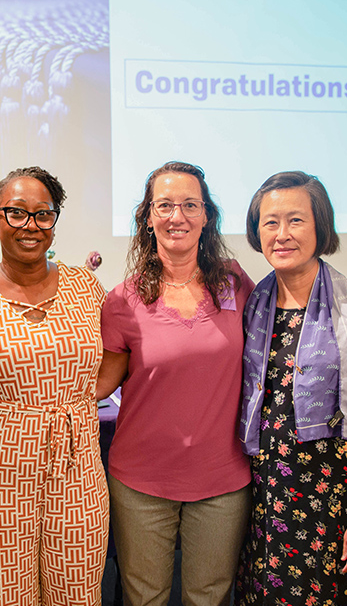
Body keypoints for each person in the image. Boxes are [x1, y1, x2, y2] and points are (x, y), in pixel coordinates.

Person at [234, 171, 347, 605]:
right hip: (265, 508)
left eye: (296, 220)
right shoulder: (254, 304)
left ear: (320, 227)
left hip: (334, 508)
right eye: (270, 222)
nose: (282, 234)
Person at [96, 161, 253, 606]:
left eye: (189, 205)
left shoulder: (235, 283)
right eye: (164, 205)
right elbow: (102, 384)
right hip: (141, 481)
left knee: (209, 597)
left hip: (222, 480)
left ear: (207, 216)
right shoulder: (122, 299)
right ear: (148, 217)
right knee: (143, 596)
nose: (176, 216)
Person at [0, 166, 109, 605]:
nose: (31, 226)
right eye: (17, 213)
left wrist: (80, 398)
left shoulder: (86, 287)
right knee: (3, 598)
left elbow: (118, 355)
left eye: (43, 215)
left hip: (77, 466)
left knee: (77, 596)